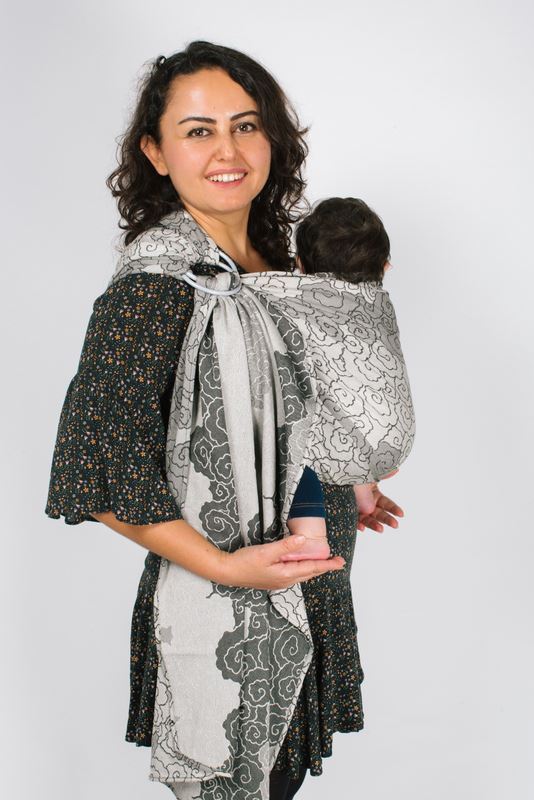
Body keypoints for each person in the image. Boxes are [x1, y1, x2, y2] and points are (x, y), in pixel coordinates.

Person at [44, 41, 405, 800]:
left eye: (246, 125)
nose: (228, 151)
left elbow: (314, 398)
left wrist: (350, 476)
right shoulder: (159, 285)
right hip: (227, 613)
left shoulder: (282, 264)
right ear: (156, 151)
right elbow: (98, 470)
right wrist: (226, 568)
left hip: (305, 595)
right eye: (199, 131)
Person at [282, 197, 405, 563]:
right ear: (385, 266)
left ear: (300, 266)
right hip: (382, 438)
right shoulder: (378, 312)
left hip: (318, 449)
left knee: (294, 441)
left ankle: (310, 533)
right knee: (342, 422)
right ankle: (362, 488)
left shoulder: (293, 302)